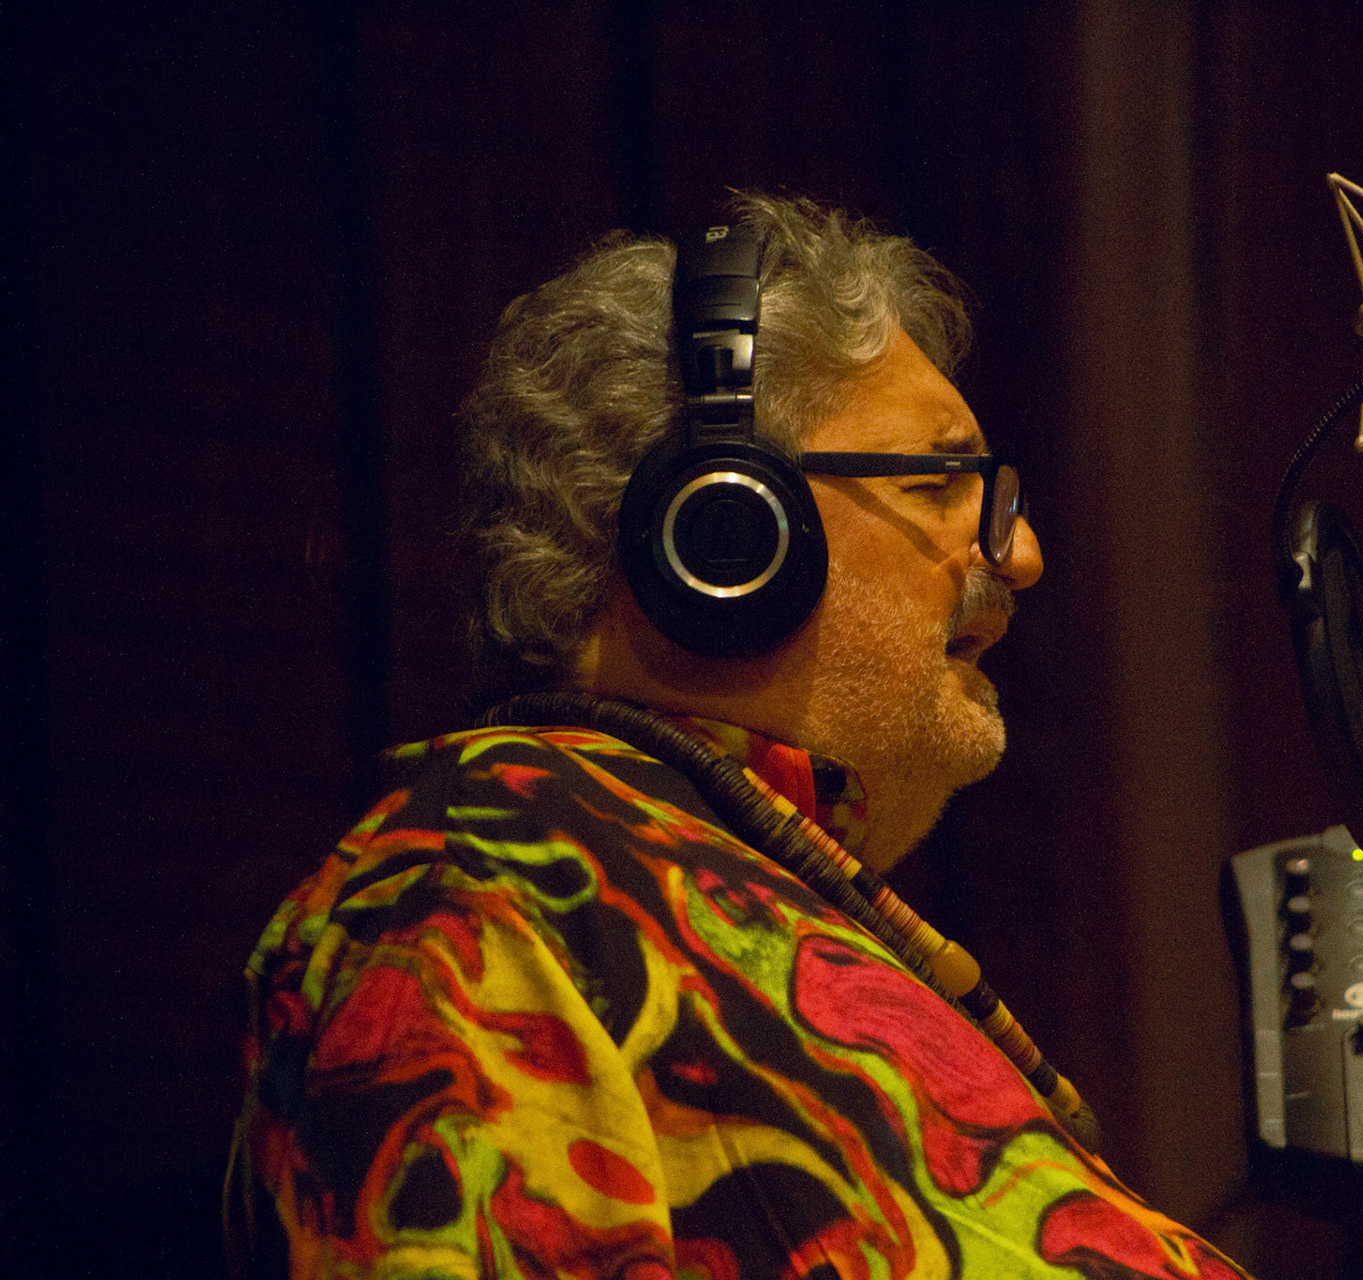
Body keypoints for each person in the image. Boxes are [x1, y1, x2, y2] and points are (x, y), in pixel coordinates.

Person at [228, 194, 1247, 1279]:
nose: (1022, 552)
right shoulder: (479, 894)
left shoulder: (714, 889)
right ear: (726, 528)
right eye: (939, 481)